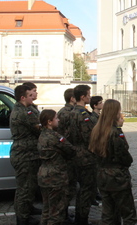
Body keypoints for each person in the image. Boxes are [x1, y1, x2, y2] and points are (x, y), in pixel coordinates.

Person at [90, 99, 137, 225]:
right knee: (128, 215)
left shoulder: (97, 130)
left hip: (102, 175)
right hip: (117, 177)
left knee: (108, 213)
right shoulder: (115, 133)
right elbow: (124, 157)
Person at [38, 109, 76, 225]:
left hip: (44, 175)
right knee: (56, 213)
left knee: (46, 210)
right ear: (49, 122)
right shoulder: (55, 137)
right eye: (56, 118)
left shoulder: (42, 135)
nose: (58, 120)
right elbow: (71, 150)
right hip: (56, 177)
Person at [9, 85, 41, 225]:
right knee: (24, 189)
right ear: (23, 97)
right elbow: (38, 128)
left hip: (29, 154)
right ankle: (23, 219)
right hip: (25, 155)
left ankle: (27, 210)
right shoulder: (23, 113)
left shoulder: (25, 109)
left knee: (29, 187)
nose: (33, 96)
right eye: (30, 95)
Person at [68, 85, 97, 225]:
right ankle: (82, 219)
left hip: (77, 153)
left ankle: (80, 217)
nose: (90, 97)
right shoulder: (83, 115)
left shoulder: (72, 112)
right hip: (86, 155)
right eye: (88, 94)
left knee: (82, 189)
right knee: (87, 189)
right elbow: (89, 137)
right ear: (82, 97)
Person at [57, 88, 77, 222]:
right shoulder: (70, 113)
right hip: (68, 152)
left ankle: (63, 213)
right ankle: (62, 215)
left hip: (66, 151)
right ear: (72, 99)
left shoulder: (62, 112)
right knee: (68, 186)